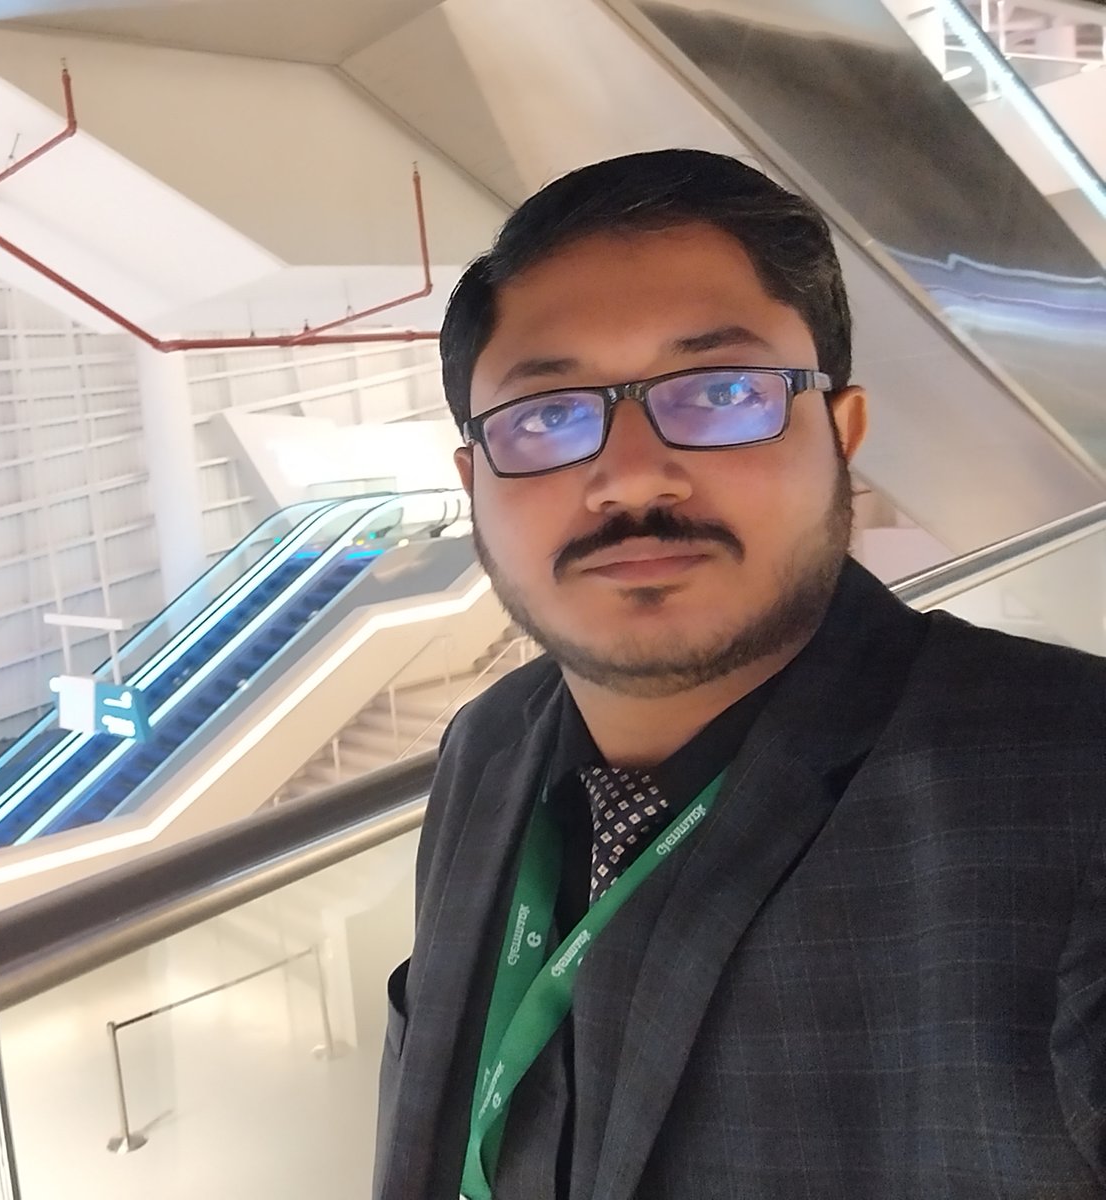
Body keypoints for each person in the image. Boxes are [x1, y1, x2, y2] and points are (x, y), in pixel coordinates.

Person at [372, 148, 1106, 1200]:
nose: (630, 477)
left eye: (721, 392)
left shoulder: (1070, 792)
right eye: (546, 416)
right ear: (473, 481)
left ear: (842, 436)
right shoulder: (485, 749)